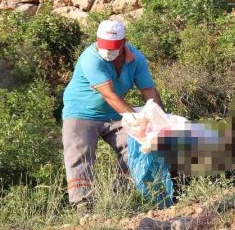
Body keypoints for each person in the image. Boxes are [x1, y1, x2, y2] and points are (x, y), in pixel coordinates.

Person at [61, 20, 162, 209]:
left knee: (136, 146)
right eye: (104, 45)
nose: (107, 50)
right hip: (81, 112)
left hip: (114, 114)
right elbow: (109, 95)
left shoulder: (136, 59)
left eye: (113, 46)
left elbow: (149, 90)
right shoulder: (90, 58)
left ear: (124, 42)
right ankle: (83, 204)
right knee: (80, 154)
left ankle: (125, 194)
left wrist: (160, 120)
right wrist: (137, 120)